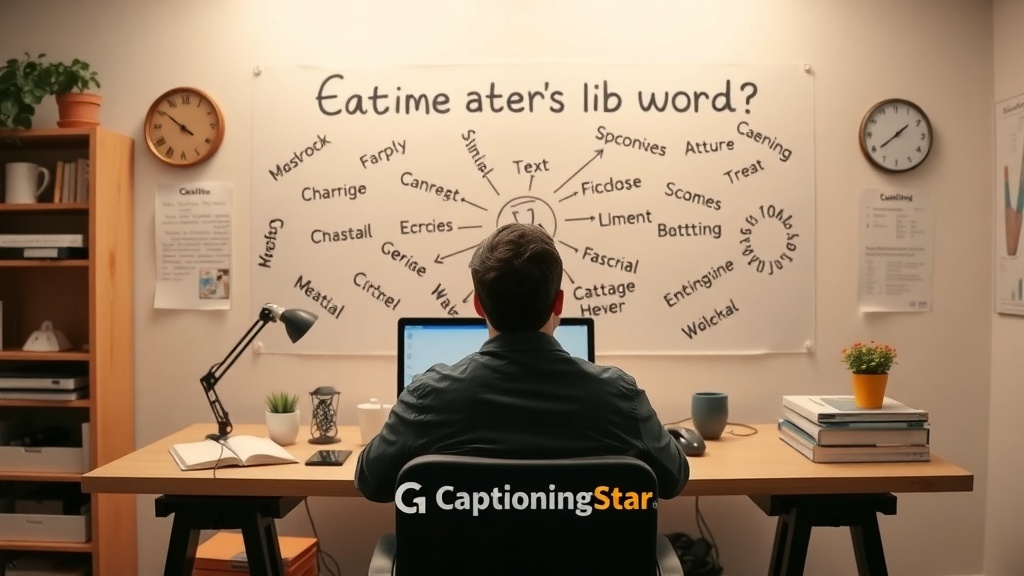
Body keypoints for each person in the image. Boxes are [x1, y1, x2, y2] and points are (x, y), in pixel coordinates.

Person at [355, 223, 688, 502]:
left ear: (478, 305)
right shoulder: (618, 395)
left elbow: (372, 482)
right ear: (558, 302)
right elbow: (674, 479)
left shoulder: (427, 397)